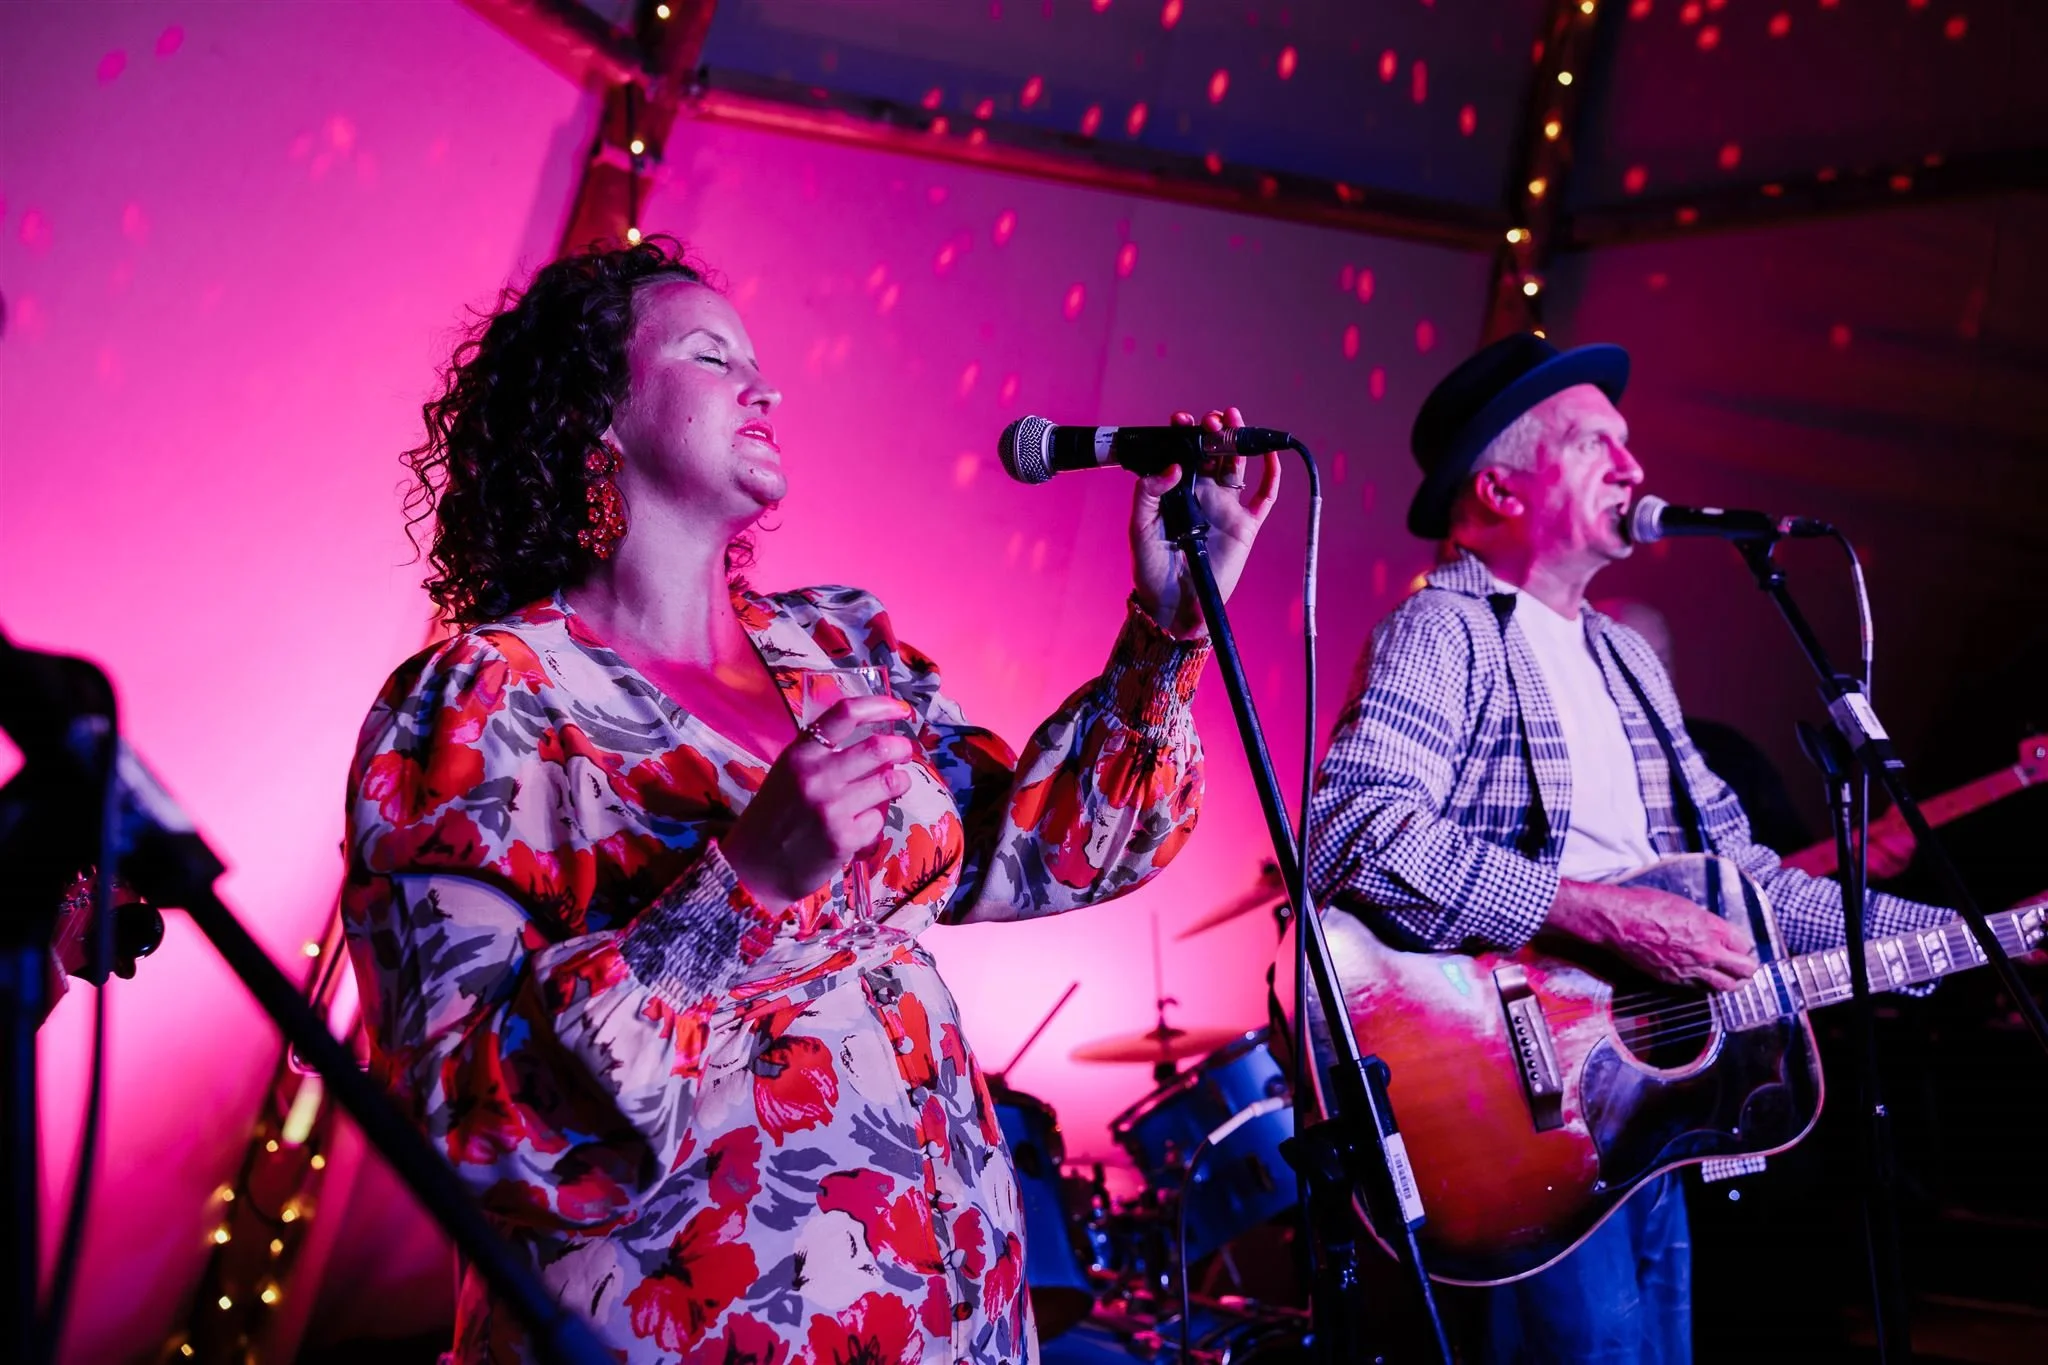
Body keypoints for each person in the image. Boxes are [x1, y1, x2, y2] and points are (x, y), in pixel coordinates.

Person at [339, 237, 1281, 1365]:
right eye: (710, 357)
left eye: (758, 361)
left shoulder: (835, 646)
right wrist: (743, 889)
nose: (764, 386)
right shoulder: (488, 702)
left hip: (953, 1318)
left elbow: (1039, 853)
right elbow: (463, 1121)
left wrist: (1170, 629)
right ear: (595, 414)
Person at [1304, 333, 1948, 1364]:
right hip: (1519, 1114)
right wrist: (1600, 916)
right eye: (1593, 443)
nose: (1634, 469)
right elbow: (1354, 834)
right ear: (1502, 489)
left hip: (1646, 1112)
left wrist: (1971, 934)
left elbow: (1749, 885)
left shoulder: (1622, 659)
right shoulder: (1444, 634)